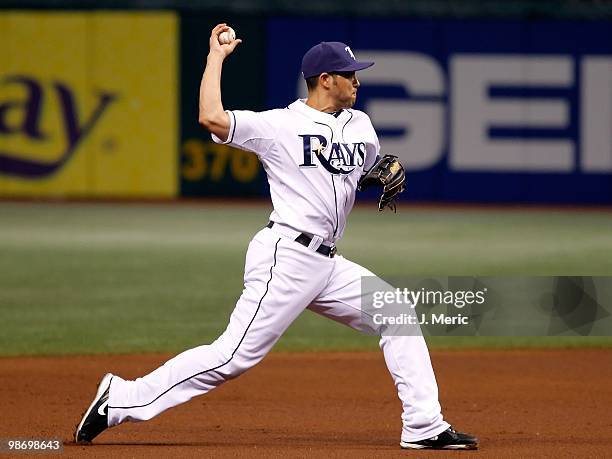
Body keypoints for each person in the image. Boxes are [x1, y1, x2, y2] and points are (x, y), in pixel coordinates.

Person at [75, 23, 478, 451]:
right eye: (350, 73)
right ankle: (120, 399)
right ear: (326, 80)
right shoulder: (279, 126)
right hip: (286, 255)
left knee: (397, 314)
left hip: (328, 263)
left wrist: (380, 174)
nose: (357, 80)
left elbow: (354, 173)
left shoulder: (361, 125)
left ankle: (423, 426)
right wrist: (216, 58)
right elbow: (211, 117)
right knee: (232, 357)